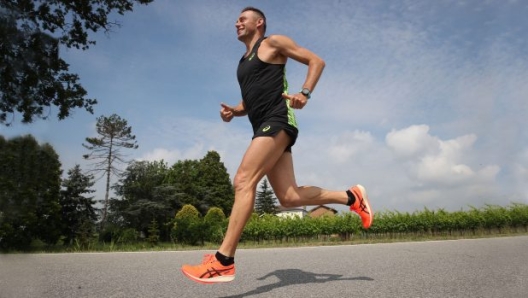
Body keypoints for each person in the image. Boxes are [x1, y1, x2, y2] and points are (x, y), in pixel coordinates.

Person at [181, 7, 373, 284]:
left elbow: (316, 61)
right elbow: (252, 99)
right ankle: (351, 197)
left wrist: (304, 93)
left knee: (243, 180)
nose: (236, 23)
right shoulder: (242, 62)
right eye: (236, 20)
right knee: (289, 197)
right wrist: (235, 111)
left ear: (258, 23)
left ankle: (224, 261)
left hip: (278, 119)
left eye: (242, 19)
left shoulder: (272, 43)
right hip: (262, 125)